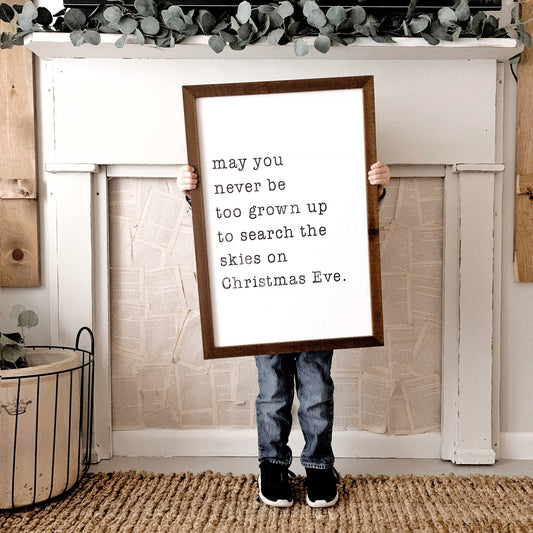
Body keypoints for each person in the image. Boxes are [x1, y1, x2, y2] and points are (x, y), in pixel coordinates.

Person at [177, 161, 391, 508]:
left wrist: (375, 190)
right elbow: (218, 221)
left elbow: (344, 214)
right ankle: (273, 466)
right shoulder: (244, 158)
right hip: (266, 301)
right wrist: (193, 194)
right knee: (273, 392)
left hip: (317, 298)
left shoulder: (319, 155)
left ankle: (319, 466)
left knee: (316, 390)